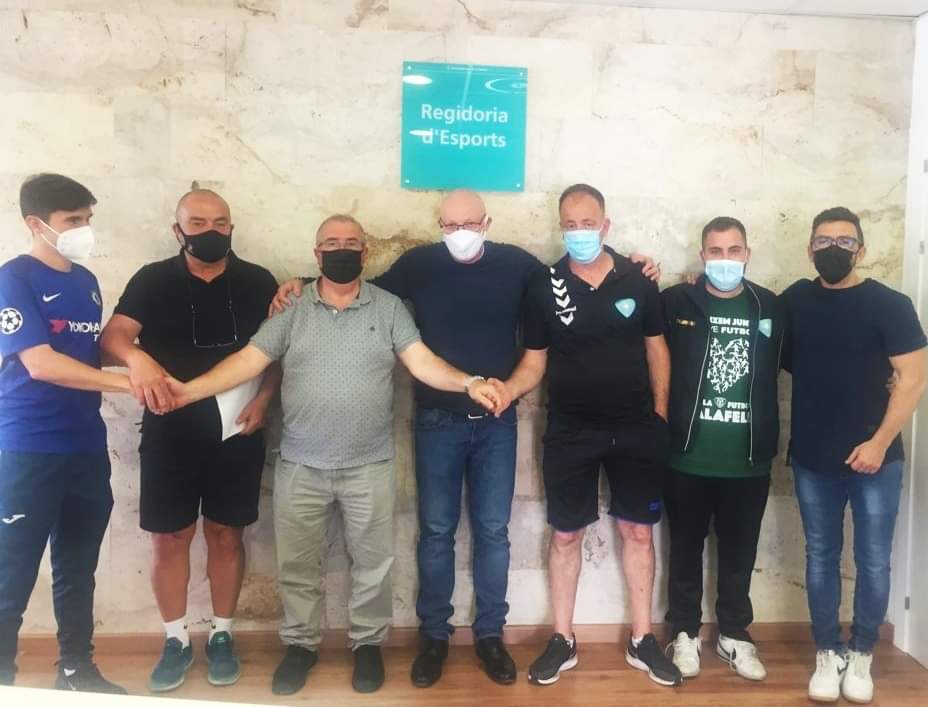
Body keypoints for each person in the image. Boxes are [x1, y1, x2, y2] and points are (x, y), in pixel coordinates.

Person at [268, 191, 661, 689]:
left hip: (497, 420)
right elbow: (355, 287)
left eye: (470, 224)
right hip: (437, 420)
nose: (460, 233)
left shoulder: (518, 266)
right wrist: (300, 284)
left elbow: (572, 275)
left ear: (487, 222)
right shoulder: (419, 265)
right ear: (439, 224)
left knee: (494, 531)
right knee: (436, 532)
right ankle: (434, 637)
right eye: (450, 225)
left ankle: (490, 636)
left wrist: (635, 264)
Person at [166, 214, 505, 696]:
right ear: (316, 253)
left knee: (373, 566)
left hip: (369, 465)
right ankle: (300, 646)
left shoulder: (388, 308)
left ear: (365, 253)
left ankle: (367, 645)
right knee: (298, 568)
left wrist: (469, 382)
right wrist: (188, 391)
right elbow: (249, 361)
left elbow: (422, 362)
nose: (340, 250)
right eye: (330, 243)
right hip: (301, 464)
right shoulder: (292, 308)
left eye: (350, 243)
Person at [498, 183, 681, 687]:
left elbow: (657, 348)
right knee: (565, 535)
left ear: (606, 225)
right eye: (570, 224)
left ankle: (643, 639)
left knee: (638, 533)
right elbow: (534, 360)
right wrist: (507, 390)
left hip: (636, 429)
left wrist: (660, 414)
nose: (579, 232)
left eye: (588, 223)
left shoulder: (639, 278)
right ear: (561, 227)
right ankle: (563, 639)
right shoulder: (544, 284)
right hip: (570, 431)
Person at [99, 189, 281, 693]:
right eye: (197, 223)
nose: (210, 232)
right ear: (177, 230)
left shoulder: (257, 280)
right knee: (169, 538)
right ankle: (175, 639)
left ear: (232, 227)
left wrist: (266, 400)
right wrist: (137, 358)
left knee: (227, 534)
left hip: (238, 428)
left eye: (220, 223)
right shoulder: (153, 279)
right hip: (169, 427)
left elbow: (277, 350)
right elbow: (112, 338)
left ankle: (222, 635)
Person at [783, 207, 927, 704]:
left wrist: (879, 442)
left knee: (873, 560)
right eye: (824, 241)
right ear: (809, 249)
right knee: (820, 556)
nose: (834, 250)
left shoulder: (891, 305)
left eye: (845, 242)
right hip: (812, 458)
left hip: (876, 460)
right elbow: (756, 325)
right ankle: (828, 651)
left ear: (861, 250)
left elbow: (913, 379)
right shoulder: (795, 301)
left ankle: (862, 652)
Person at [0, 173, 131, 693]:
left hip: (85, 448)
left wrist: (140, 363)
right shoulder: (13, 279)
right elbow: (42, 364)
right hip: (28, 450)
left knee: (77, 568)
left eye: (87, 219)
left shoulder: (86, 281)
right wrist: (130, 385)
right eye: (72, 220)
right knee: (11, 574)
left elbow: (84, 354)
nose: (84, 230)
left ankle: (77, 671)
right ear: (37, 224)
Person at [660, 216, 786, 683]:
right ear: (702, 256)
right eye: (716, 251)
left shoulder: (770, 306)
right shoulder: (676, 302)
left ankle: (734, 634)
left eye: (734, 251)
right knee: (684, 550)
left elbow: (803, 360)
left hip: (748, 460)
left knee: (739, 553)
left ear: (747, 254)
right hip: (686, 456)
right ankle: (684, 633)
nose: (725, 260)